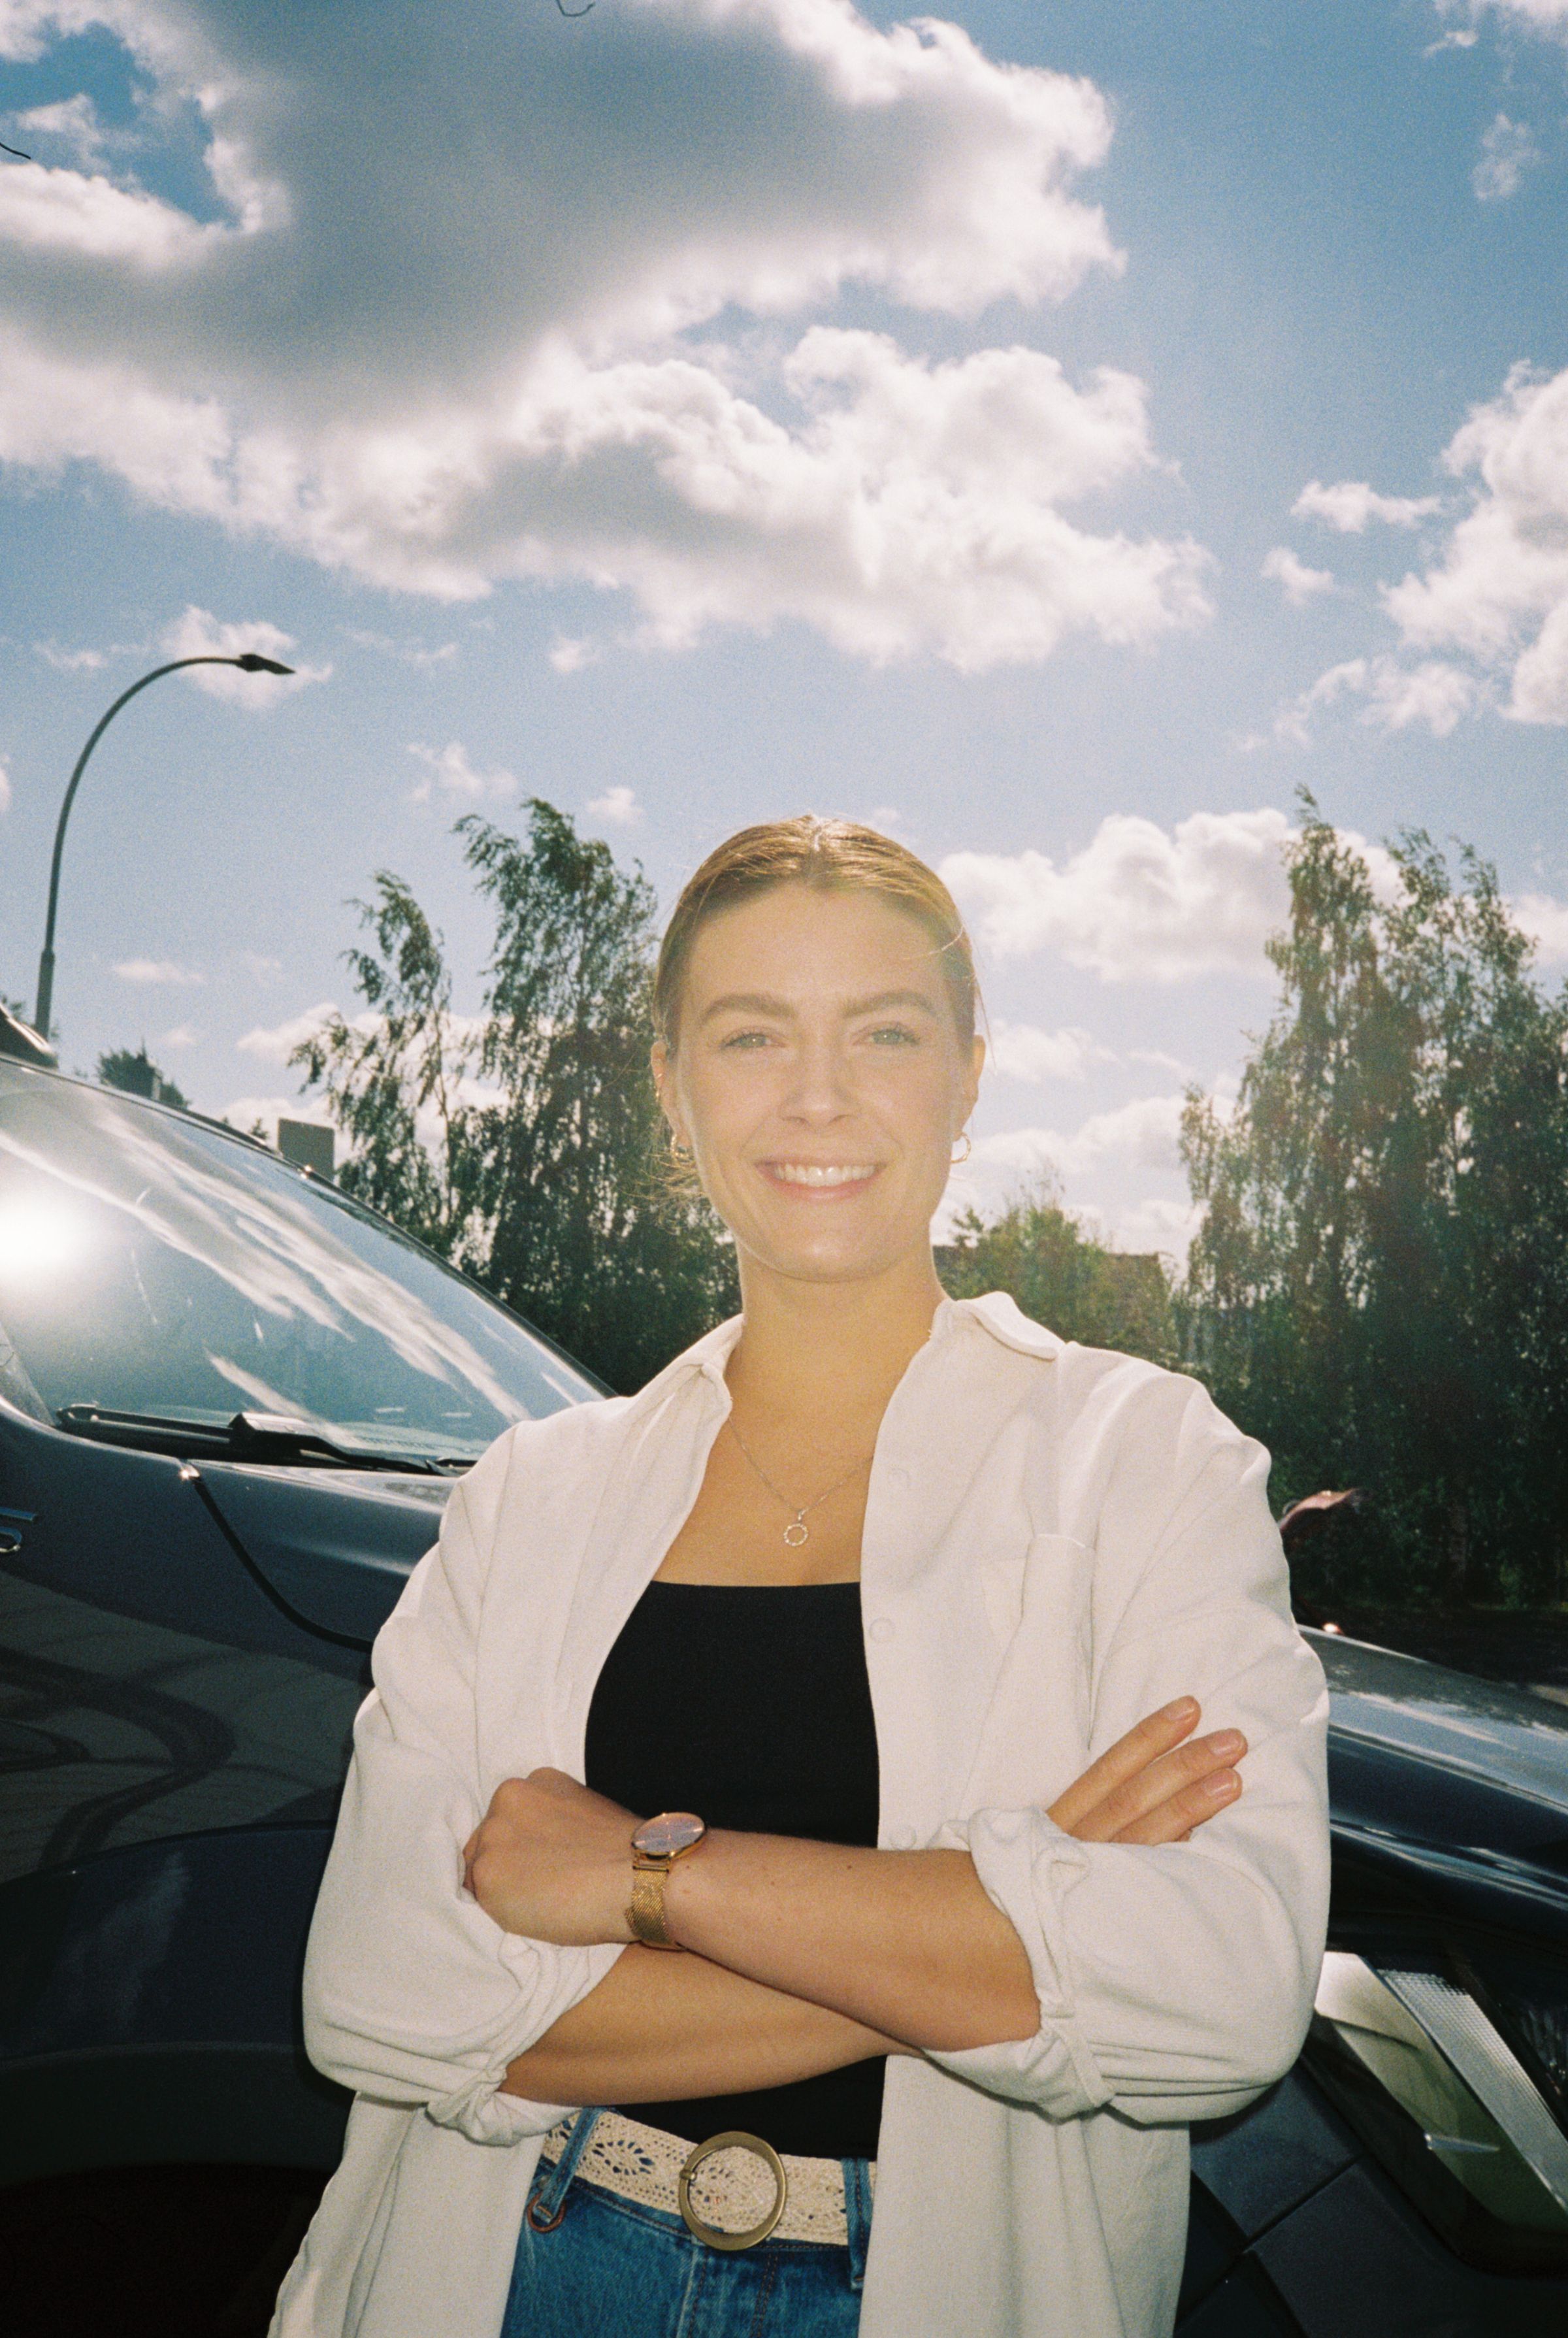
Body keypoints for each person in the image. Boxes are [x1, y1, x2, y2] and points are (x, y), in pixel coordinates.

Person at [272, 816, 1329, 2338]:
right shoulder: (531, 1496)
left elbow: (1217, 1998)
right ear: (673, 1084)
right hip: (525, 2270)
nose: (818, 1095)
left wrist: (646, 1876)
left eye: (885, 1032)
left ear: (970, 1069)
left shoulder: (1141, 1461)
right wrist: (989, 1913)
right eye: (751, 1033)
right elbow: (378, 1996)